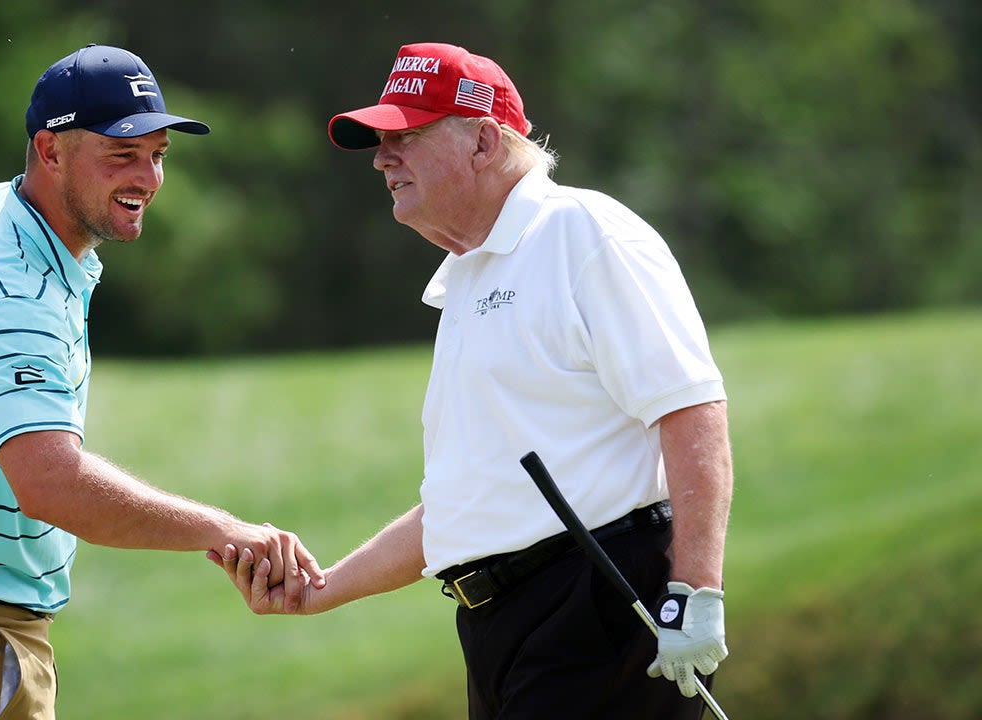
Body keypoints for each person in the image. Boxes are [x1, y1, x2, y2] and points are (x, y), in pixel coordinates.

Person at [0, 44, 324, 720]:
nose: (150, 178)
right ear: (50, 151)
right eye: (121, 155)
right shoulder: (6, 284)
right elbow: (50, 482)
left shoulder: (0, 217)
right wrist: (222, 530)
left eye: (157, 154)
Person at [211, 42, 733, 719]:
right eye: (380, 142)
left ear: (484, 142)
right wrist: (324, 589)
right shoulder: (468, 276)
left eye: (406, 137)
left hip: (602, 599)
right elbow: (465, 505)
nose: (381, 159)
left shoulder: (583, 234)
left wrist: (697, 591)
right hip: (501, 626)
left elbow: (692, 412)